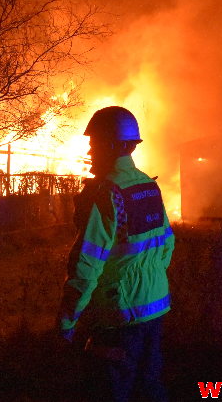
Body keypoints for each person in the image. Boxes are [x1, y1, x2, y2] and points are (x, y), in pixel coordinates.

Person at [58, 106, 175, 402]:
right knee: (149, 388)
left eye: (94, 142)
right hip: (154, 308)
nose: (89, 148)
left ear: (111, 145)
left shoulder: (106, 194)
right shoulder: (148, 186)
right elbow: (166, 245)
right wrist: (145, 280)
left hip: (118, 316)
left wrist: (67, 321)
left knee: (110, 391)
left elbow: (86, 264)